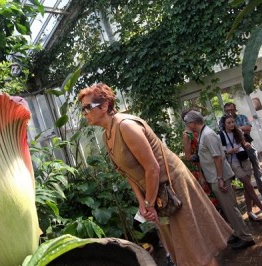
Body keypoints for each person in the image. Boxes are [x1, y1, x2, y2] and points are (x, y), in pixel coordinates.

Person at [78, 83, 233, 266]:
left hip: (172, 188)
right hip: (157, 195)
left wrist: (149, 203)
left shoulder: (126, 126)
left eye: (88, 107)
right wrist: (143, 203)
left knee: (195, 249)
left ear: (104, 106)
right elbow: (129, 173)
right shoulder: (107, 135)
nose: (84, 113)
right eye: (82, 109)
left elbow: (152, 168)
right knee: (181, 250)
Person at [184, 111, 255, 250]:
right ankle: (239, 233)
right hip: (215, 176)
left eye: (187, 123)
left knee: (231, 208)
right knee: (227, 209)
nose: (187, 126)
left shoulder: (208, 135)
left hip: (219, 177)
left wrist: (220, 179)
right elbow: (211, 155)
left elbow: (218, 157)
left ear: (193, 123)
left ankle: (246, 237)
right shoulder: (204, 134)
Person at [219, 114, 262, 221]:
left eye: (233, 122)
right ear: (224, 125)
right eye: (229, 123)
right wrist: (230, 151)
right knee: (249, 186)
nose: (232, 124)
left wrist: (246, 144)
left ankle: (249, 212)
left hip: (244, 159)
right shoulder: (221, 136)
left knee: (248, 188)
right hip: (233, 161)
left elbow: (244, 143)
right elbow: (221, 153)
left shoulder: (238, 131)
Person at [181, 109, 220, 209]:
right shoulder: (187, 135)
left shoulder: (199, 130)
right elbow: (188, 156)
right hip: (199, 168)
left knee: (217, 191)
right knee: (209, 195)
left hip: (208, 164)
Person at [222, 102, 262, 195]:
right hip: (236, 150)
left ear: (235, 109)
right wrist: (240, 129)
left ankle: (261, 189)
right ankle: (249, 194)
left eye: (231, 109)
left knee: (256, 168)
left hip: (247, 145)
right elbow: (224, 132)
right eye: (227, 110)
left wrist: (235, 128)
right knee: (244, 175)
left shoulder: (242, 117)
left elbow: (248, 128)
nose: (230, 112)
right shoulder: (223, 121)